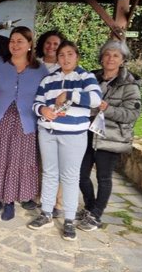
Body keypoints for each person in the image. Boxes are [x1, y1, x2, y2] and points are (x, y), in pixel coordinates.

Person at [29, 41, 102, 241]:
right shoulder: (49, 79)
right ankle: (46, 213)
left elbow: (96, 99)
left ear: (77, 56)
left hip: (73, 135)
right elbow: (37, 102)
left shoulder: (86, 77)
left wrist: (69, 94)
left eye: (70, 54)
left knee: (70, 177)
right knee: (50, 173)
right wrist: (43, 110)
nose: (65, 58)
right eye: (62, 55)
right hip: (48, 133)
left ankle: (69, 219)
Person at [0, 26, 48, 221]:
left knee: (16, 163)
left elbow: (50, 91)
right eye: (12, 41)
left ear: (30, 45)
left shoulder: (40, 69)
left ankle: (9, 202)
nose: (15, 45)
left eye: (20, 41)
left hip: (25, 124)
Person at [78, 40, 142, 231]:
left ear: (122, 59)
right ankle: (90, 207)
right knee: (81, 175)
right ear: (101, 57)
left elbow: (132, 114)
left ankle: (96, 215)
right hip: (88, 133)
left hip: (111, 136)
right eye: (107, 54)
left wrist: (108, 109)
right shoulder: (91, 78)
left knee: (104, 178)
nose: (110, 58)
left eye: (115, 55)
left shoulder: (130, 84)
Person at [22, 30, 67, 213]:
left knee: (56, 163)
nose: (51, 47)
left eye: (56, 44)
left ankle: (57, 202)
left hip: (58, 119)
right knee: (37, 160)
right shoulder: (34, 65)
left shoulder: (65, 67)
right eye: (48, 43)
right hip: (35, 117)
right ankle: (35, 195)